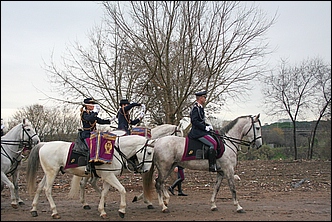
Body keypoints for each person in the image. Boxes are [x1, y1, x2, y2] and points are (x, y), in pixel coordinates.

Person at [188, 90, 219, 172]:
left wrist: (208, 126)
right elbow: (194, 121)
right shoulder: (196, 108)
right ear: (200, 98)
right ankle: (212, 165)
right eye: (204, 97)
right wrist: (204, 127)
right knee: (213, 144)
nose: (205, 99)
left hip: (201, 130)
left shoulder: (200, 108)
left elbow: (201, 120)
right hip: (197, 132)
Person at [80, 97, 112, 174]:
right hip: (86, 134)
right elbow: (89, 119)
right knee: (91, 147)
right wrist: (96, 112)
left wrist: (110, 120)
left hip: (93, 134)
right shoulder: (84, 113)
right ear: (86, 105)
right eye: (91, 104)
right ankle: (88, 165)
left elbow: (100, 121)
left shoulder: (92, 114)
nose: (93, 106)